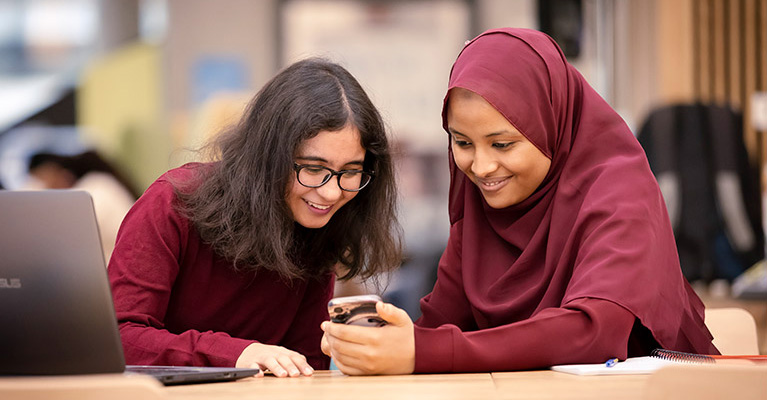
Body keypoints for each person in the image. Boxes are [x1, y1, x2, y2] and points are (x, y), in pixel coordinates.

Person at [320, 28, 718, 375]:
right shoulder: (481, 198)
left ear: (550, 122)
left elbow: (595, 331)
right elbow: (440, 324)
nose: (481, 166)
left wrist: (423, 351)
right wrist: (375, 347)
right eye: (462, 142)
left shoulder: (619, 189)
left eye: (503, 144)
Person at [108, 58, 402, 377]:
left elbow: (305, 366)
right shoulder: (173, 202)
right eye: (313, 168)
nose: (331, 193)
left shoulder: (315, 223)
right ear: (268, 156)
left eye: (350, 171)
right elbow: (120, 337)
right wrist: (236, 353)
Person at [27, 150, 138, 262]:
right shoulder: (96, 185)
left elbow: (66, 236)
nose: (43, 188)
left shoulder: (95, 188)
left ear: (62, 175)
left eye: (42, 181)